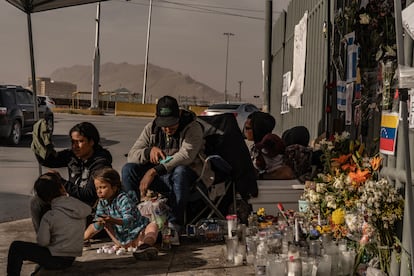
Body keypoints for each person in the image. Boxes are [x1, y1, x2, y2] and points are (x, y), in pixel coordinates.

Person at [122, 95, 214, 244]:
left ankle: (173, 226)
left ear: (179, 116)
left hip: (189, 180)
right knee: (129, 169)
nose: (167, 129)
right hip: (163, 179)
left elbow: (186, 156)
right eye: (164, 125)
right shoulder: (151, 128)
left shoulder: (193, 127)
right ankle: (133, 220)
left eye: (172, 124)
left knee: (181, 171)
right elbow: (132, 155)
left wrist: (154, 170)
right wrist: (148, 151)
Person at [30, 121, 113, 232]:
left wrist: (60, 181)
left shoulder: (101, 164)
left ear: (92, 142)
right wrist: (39, 144)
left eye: (80, 141)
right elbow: (49, 161)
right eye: (73, 142)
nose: (75, 146)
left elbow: (88, 195)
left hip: (90, 214)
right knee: (37, 201)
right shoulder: (72, 156)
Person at [7, 172, 91, 275]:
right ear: (61, 188)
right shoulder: (75, 205)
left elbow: (43, 242)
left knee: (16, 247)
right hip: (70, 256)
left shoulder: (48, 213)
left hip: (58, 259)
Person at [84, 167, 159, 260]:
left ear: (114, 187)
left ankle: (145, 246)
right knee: (100, 223)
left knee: (153, 226)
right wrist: (83, 237)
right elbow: (95, 226)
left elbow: (129, 220)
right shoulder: (102, 202)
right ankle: (82, 240)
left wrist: (113, 220)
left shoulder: (124, 199)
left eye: (103, 187)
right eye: (97, 188)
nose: (99, 191)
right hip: (121, 241)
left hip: (138, 235)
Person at [244, 111, 294, 180]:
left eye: (247, 128)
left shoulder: (269, 147)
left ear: (257, 130)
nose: (245, 131)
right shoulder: (258, 147)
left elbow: (285, 173)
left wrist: (261, 176)